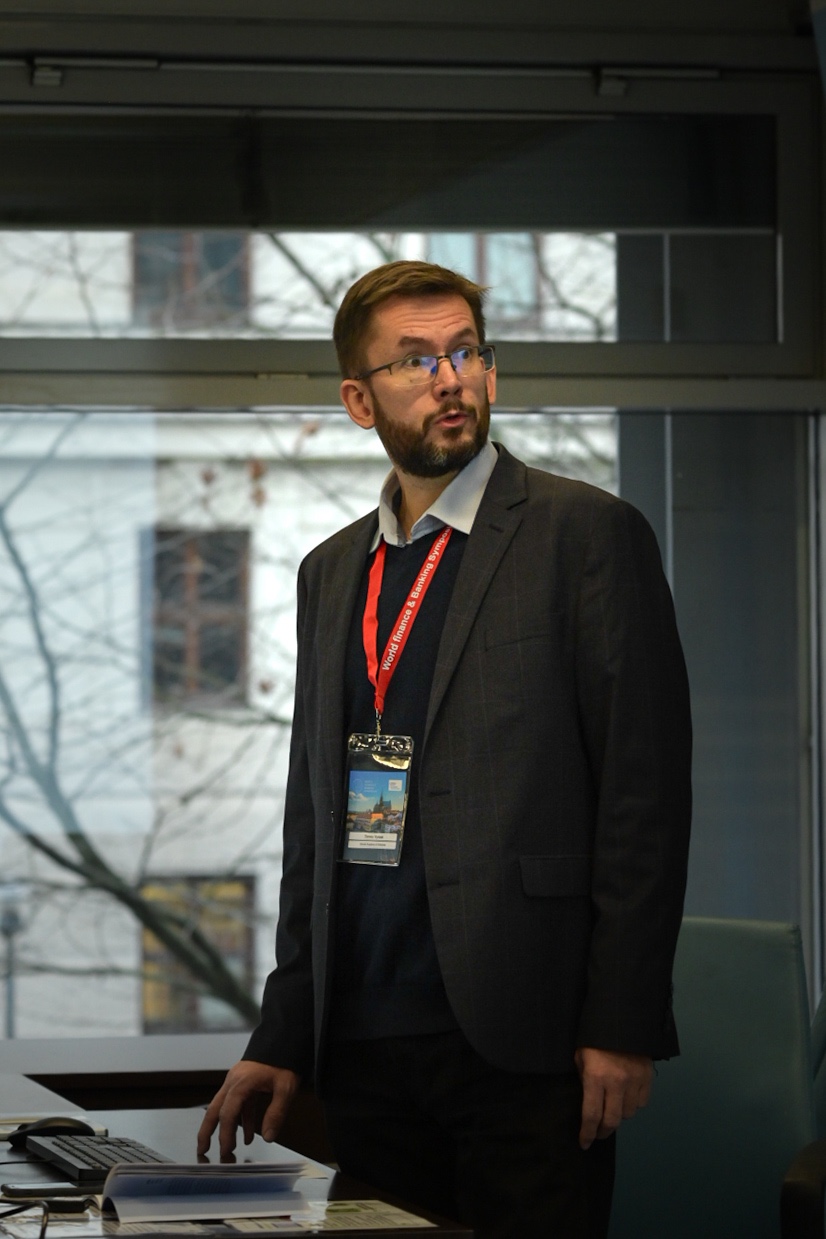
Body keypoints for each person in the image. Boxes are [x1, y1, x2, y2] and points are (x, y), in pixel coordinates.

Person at [198, 260, 692, 1239]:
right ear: (359, 399)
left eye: (466, 352)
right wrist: (284, 1028)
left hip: (529, 1035)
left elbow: (644, 798)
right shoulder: (330, 571)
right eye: (416, 360)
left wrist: (621, 1023)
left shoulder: (587, 535)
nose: (450, 378)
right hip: (365, 1042)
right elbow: (314, 815)